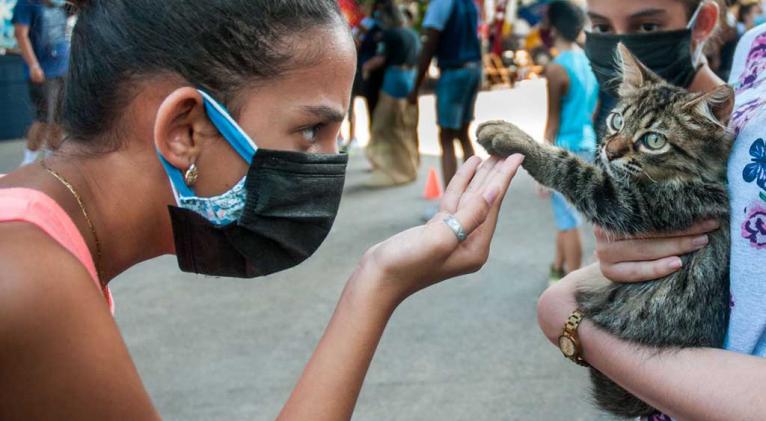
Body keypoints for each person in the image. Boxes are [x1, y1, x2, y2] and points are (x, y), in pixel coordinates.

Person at [0, 0, 525, 419]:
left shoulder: (41, 242)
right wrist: (377, 285)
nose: (325, 166)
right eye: (310, 132)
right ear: (186, 130)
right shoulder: (29, 281)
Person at [537, 1, 766, 419]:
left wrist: (569, 321)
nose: (618, 43)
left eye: (647, 26)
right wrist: (616, 259)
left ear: (703, 23)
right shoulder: (754, 49)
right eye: (600, 26)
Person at [587, 0, 726, 134]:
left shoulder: (740, 137)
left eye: (647, 27)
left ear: (703, 22)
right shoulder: (620, 109)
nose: (620, 48)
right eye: (602, 28)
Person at [539, 1, 599, 283]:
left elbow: (552, 122)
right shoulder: (589, 62)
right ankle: (557, 267)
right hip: (589, 145)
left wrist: (540, 164)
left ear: (552, 28)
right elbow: (594, 110)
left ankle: (572, 284)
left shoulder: (555, 69)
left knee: (567, 221)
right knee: (567, 215)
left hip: (563, 150)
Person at [408, 0, 483, 189]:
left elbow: (429, 44)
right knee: (463, 133)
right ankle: (474, 191)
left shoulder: (440, 4)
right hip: (473, 69)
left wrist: (415, 86)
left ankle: (452, 198)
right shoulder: (470, 4)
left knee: (446, 136)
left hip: (454, 72)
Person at [362, 2, 422, 187]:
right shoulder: (412, 34)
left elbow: (380, 59)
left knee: (386, 127)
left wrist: (365, 67)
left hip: (393, 81)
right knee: (406, 125)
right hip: (410, 78)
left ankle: (395, 170)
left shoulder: (388, 35)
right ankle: (411, 164)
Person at [12, 0, 70, 167]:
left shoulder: (61, 5)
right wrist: (33, 65)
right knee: (43, 118)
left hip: (63, 68)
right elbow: (20, 35)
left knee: (59, 119)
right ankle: (28, 161)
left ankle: (52, 159)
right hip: (43, 72)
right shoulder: (26, 4)